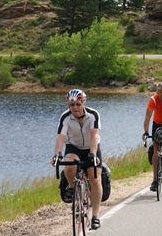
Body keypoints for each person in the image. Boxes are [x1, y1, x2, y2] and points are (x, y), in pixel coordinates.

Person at [51, 89, 102, 230]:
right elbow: (60, 138)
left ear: (84, 103)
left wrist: (93, 154)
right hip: (73, 146)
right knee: (69, 163)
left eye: (78, 104)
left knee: (94, 178)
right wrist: (57, 154)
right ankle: (72, 188)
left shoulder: (93, 115)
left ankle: (95, 216)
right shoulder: (65, 117)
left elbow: (94, 136)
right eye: (71, 104)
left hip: (91, 147)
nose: (75, 107)